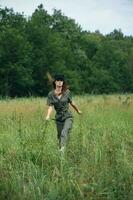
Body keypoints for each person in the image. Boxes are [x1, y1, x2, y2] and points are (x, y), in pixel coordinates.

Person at [45, 74, 82, 152]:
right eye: (58, 80)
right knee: (59, 136)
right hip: (58, 118)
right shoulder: (51, 94)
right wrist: (48, 116)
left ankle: (63, 148)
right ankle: (62, 153)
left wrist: (78, 110)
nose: (60, 82)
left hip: (68, 116)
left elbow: (72, 103)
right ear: (55, 82)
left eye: (61, 80)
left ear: (63, 82)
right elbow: (50, 107)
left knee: (64, 132)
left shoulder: (67, 92)